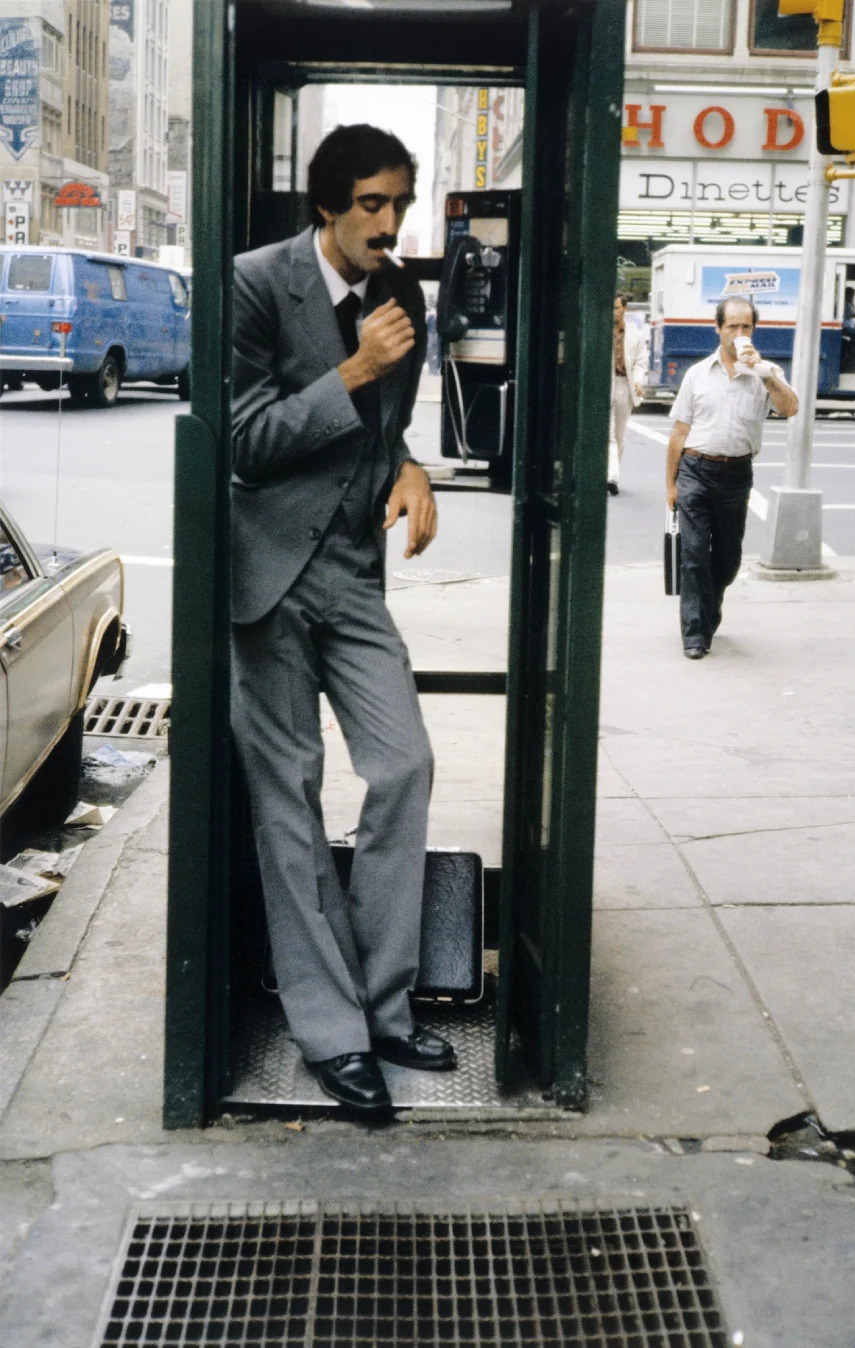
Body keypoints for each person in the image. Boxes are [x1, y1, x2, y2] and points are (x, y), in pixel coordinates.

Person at [230, 124, 456, 1114]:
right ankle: (331, 1033)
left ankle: (383, 1004)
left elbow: (392, 430)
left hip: (353, 577)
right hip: (270, 575)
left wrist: (408, 466)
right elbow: (240, 442)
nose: (388, 221)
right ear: (326, 205)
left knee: (404, 763)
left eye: (399, 202)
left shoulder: (403, 298)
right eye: (370, 203)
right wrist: (352, 372)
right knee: (290, 803)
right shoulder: (254, 283)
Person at [665, 296, 798, 659]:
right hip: (696, 469)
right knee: (693, 555)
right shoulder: (697, 374)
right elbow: (679, 432)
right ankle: (694, 634)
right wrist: (671, 485)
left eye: (746, 327)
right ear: (718, 329)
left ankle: (710, 606)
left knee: (726, 560)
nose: (740, 334)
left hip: (736, 474)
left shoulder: (766, 373)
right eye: (732, 327)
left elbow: (791, 408)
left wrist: (765, 373)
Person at [607, 292, 648, 495]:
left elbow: (640, 362)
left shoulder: (635, 334)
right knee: (609, 436)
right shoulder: (601, 331)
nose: (613, 311)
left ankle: (613, 472)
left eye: (616, 307)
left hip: (625, 385)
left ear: (625, 309)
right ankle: (612, 476)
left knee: (619, 436)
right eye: (611, 307)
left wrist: (639, 381)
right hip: (606, 385)